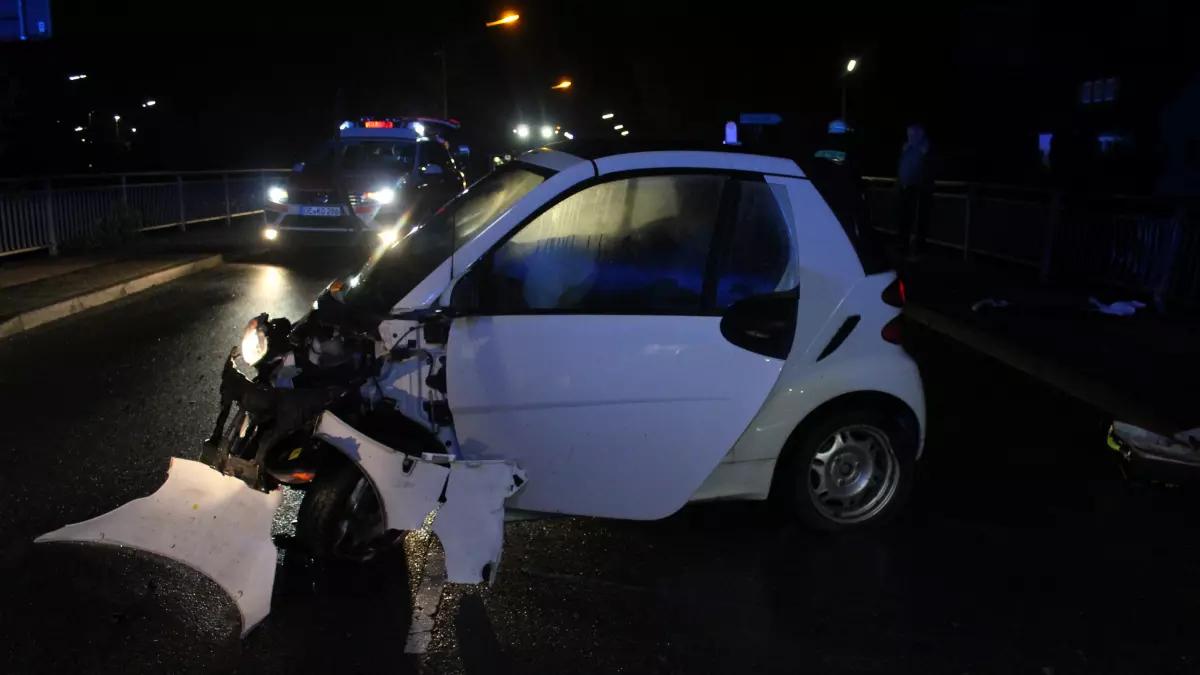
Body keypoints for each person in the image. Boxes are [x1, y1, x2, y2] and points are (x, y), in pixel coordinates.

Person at [896, 124, 932, 258]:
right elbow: (902, 165)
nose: (910, 136)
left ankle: (916, 250)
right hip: (905, 188)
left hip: (918, 190)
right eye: (908, 134)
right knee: (904, 219)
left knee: (916, 221)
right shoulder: (907, 147)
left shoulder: (925, 147)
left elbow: (927, 168)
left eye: (912, 134)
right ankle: (904, 246)